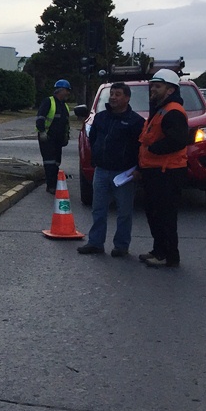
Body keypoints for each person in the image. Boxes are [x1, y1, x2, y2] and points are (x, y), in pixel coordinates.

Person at [77, 82, 144, 257]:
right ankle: (96, 243)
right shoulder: (100, 118)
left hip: (124, 174)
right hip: (101, 171)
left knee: (124, 212)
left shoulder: (136, 121)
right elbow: (93, 140)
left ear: (127, 98)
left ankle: (121, 246)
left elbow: (142, 148)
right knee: (98, 209)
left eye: (118, 94)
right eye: (112, 94)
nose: (113, 97)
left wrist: (138, 169)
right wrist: (98, 157)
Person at [138, 69, 189, 268]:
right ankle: (159, 250)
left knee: (164, 215)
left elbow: (177, 140)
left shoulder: (173, 110)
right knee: (155, 213)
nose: (153, 89)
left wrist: (153, 149)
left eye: (157, 86)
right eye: (152, 85)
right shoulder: (160, 108)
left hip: (166, 172)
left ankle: (167, 255)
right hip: (156, 170)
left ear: (170, 89)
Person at [36, 79, 72, 193]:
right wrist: (42, 132)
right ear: (60, 91)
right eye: (67, 90)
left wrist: (66, 136)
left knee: (56, 162)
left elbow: (66, 123)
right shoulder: (49, 102)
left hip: (58, 139)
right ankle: (50, 185)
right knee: (49, 162)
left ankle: (54, 182)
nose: (68, 93)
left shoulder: (64, 106)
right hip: (47, 137)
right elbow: (40, 118)